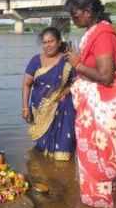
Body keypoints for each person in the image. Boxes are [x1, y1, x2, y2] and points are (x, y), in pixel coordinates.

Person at [64, 0, 116, 208]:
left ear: (88, 11)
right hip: (99, 103)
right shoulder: (94, 31)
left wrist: (77, 64)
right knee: (94, 155)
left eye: (75, 15)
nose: (73, 19)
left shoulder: (103, 35)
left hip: (107, 103)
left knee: (102, 156)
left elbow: (105, 76)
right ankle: (97, 204)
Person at [22, 27, 76, 161]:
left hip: (63, 108)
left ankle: (62, 168)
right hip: (41, 110)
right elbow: (26, 84)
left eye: (51, 41)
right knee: (41, 150)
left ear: (59, 42)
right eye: (45, 42)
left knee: (62, 151)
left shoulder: (67, 60)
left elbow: (77, 81)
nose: (47, 45)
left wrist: (65, 91)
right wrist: (25, 107)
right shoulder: (36, 60)